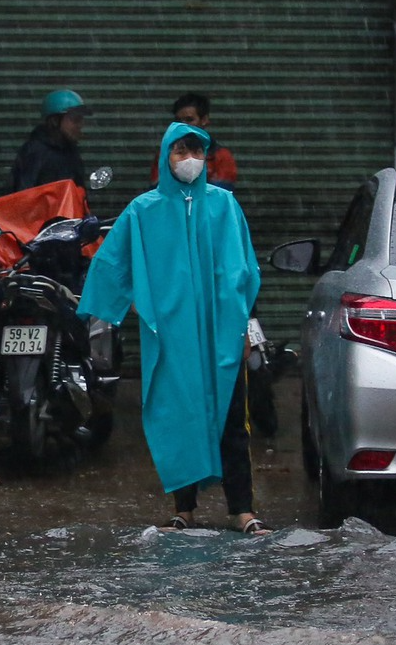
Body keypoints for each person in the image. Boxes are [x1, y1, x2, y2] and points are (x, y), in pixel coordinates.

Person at [78, 121, 267, 533]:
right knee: (177, 414)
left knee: (232, 418)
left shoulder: (224, 207)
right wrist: (98, 313)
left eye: (196, 151)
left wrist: (247, 327)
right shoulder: (144, 210)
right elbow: (113, 261)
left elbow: (244, 269)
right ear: (166, 157)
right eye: (180, 151)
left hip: (222, 332)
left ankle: (241, 509)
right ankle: (184, 508)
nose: (189, 160)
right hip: (172, 335)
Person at [7, 89, 92, 195]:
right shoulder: (35, 152)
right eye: (75, 119)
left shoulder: (71, 152)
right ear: (55, 121)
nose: (80, 125)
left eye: (81, 119)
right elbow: (23, 198)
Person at [171, 92, 240, 189]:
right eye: (178, 121)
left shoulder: (221, 156)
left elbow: (220, 195)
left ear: (204, 120)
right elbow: (157, 192)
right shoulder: (165, 154)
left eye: (189, 120)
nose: (183, 126)